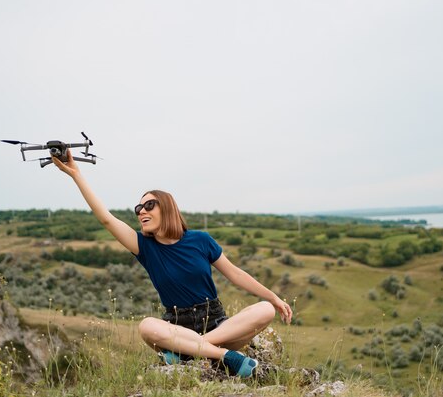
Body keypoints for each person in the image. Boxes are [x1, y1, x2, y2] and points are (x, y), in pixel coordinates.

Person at [52, 151, 292, 378]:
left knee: (265, 310)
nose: (141, 211)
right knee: (147, 327)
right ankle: (222, 355)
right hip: (176, 327)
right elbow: (106, 218)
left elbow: (235, 274)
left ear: (167, 208)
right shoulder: (143, 246)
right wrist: (76, 175)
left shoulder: (200, 240)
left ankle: (189, 352)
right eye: (138, 208)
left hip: (218, 323)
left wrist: (273, 298)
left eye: (149, 205)